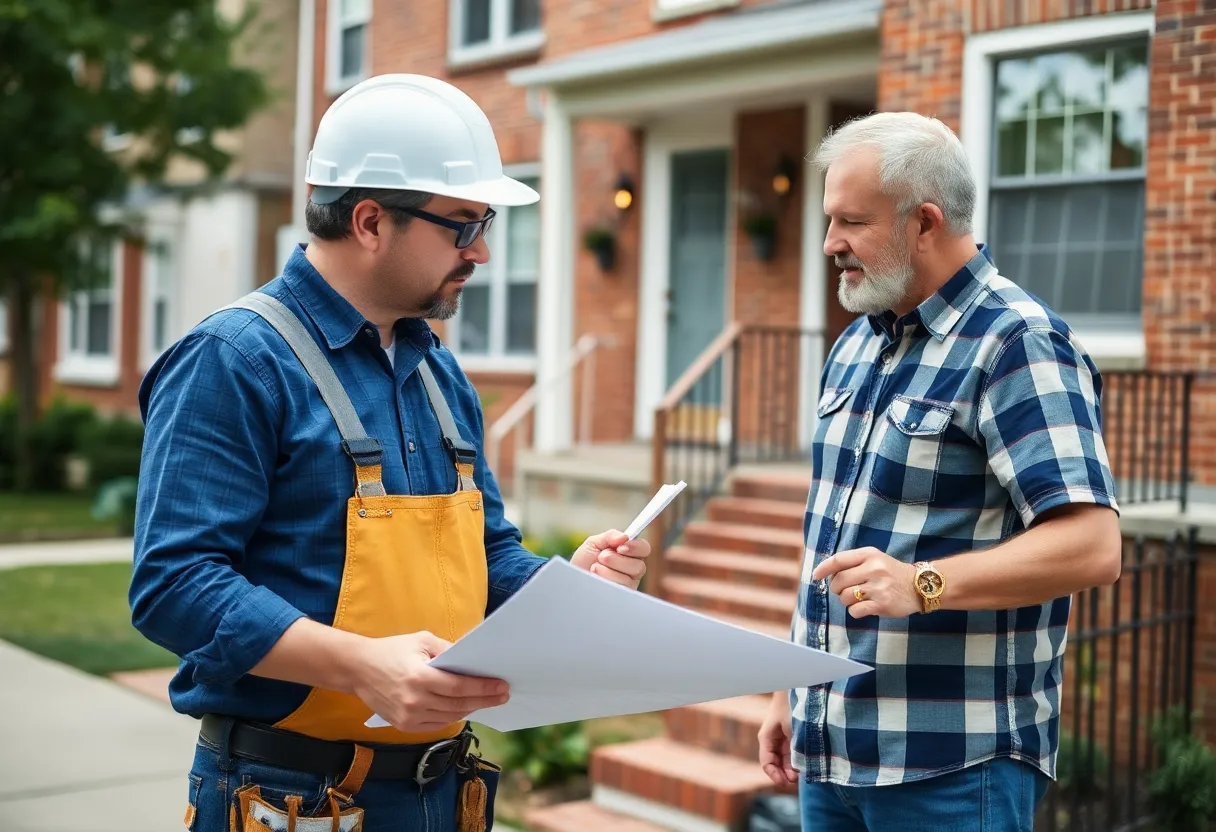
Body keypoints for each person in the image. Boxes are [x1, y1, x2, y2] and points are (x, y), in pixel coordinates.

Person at [129, 73, 650, 832]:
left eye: (485, 224)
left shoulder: (437, 371)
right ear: (371, 221)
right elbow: (175, 585)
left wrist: (568, 589)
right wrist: (360, 666)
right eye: (462, 225)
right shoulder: (234, 360)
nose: (482, 252)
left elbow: (486, 552)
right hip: (287, 796)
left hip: (442, 793)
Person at [755, 111, 1122, 832]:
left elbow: (1092, 545)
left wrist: (924, 584)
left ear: (924, 222)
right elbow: (829, 538)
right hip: (832, 757)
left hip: (952, 768)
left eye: (850, 222)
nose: (830, 244)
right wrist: (788, 688)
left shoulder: (1017, 342)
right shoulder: (858, 344)